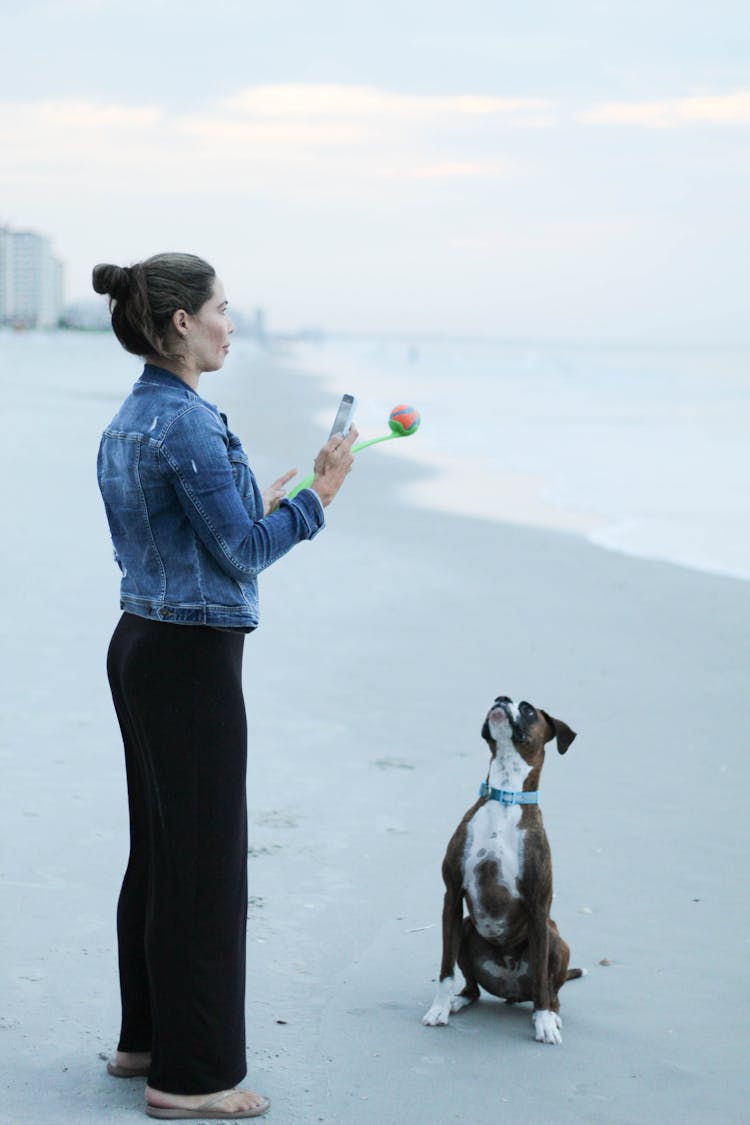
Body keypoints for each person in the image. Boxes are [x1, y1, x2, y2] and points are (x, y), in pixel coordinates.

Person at [94, 252, 356, 1120]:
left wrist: (262, 497)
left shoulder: (132, 419)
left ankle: (144, 1041)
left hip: (141, 644)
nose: (229, 323)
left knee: (161, 853)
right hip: (189, 661)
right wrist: (317, 497)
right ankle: (193, 1076)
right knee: (204, 866)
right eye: (221, 308)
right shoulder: (188, 425)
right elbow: (243, 552)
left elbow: (189, 536)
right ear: (180, 323)